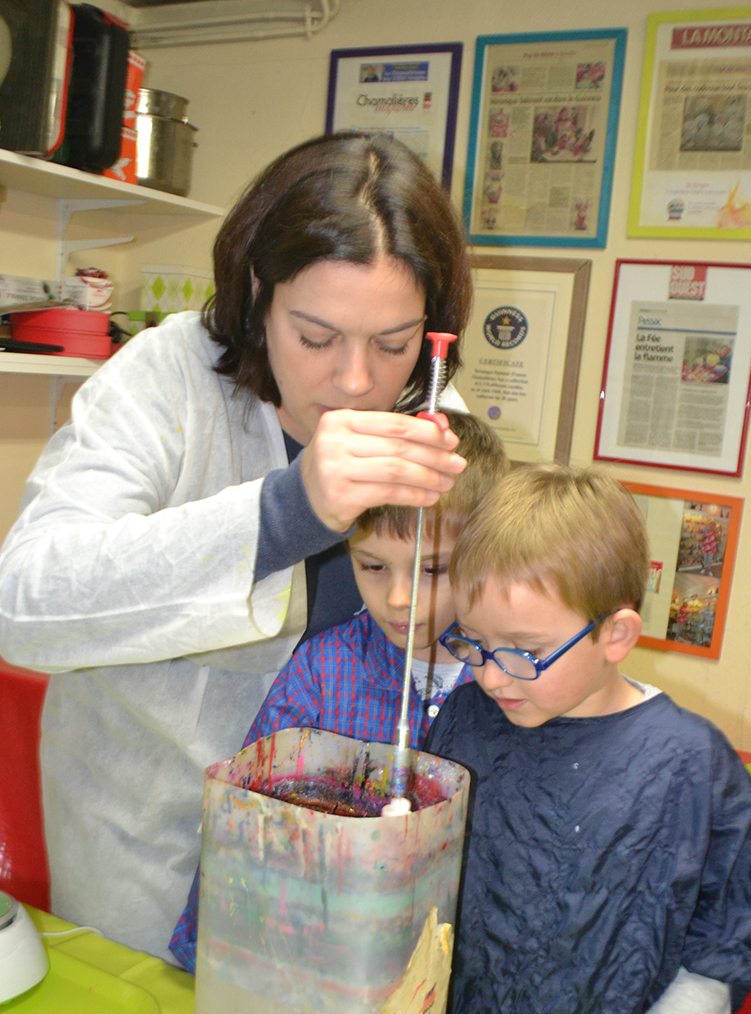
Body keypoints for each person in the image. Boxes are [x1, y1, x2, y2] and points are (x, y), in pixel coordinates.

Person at [0, 132, 473, 962]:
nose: (357, 382)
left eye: (394, 343)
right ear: (259, 290)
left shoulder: (432, 418)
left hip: (347, 865)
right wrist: (282, 515)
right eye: (317, 337)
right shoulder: (168, 377)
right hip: (149, 837)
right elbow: (22, 603)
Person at [424, 465, 751, 1014]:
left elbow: (737, 907)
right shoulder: (466, 718)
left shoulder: (689, 763)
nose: (492, 675)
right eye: (475, 643)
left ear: (615, 635)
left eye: (525, 651)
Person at [168, 410, 511, 973]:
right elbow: (245, 837)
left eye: (432, 571)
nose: (399, 598)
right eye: (373, 566)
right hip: (323, 964)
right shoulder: (321, 676)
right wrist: (210, 959)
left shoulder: (515, 687)